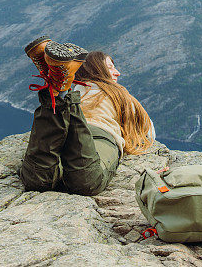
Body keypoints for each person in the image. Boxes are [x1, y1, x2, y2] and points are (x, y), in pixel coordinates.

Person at [19, 37, 155, 196]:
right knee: (86, 181)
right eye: (110, 68)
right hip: (100, 136)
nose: (117, 72)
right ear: (97, 70)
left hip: (58, 133)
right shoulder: (119, 94)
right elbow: (148, 132)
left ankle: (57, 90)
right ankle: (61, 92)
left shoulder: (77, 87)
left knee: (37, 179)